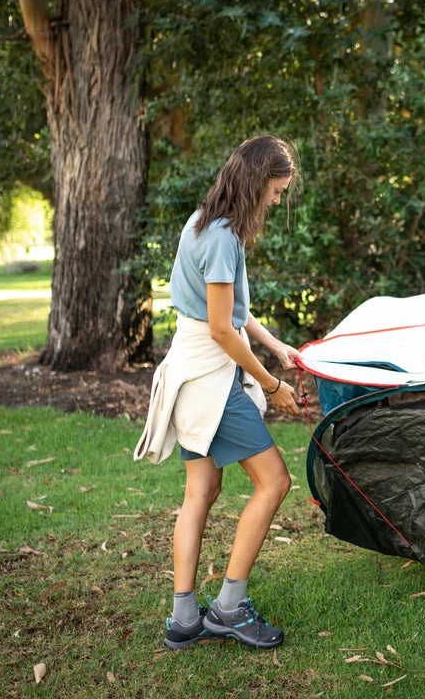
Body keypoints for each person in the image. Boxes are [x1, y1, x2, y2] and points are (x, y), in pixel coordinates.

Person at [134, 135, 303, 651]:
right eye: (275, 190)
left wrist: (275, 346)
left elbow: (230, 311)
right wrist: (272, 385)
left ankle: (184, 618)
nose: (276, 200)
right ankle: (229, 607)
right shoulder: (225, 237)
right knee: (274, 482)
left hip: (190, 372)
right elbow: (221, 330)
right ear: (257, 182)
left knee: (201, 492)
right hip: (210, 378)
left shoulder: (202, 222)